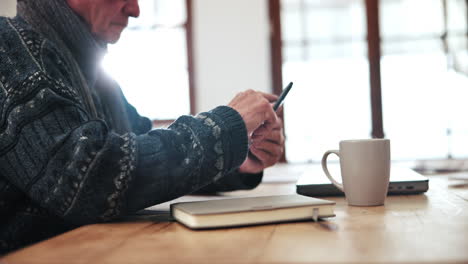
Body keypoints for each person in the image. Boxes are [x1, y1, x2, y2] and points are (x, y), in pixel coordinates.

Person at [0, 0, 285, 253]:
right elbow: (88, 180)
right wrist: (225, 129)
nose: (135, 10)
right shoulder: (7, 47)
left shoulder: (98, 79)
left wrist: (239, 157)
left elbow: (142, 148)